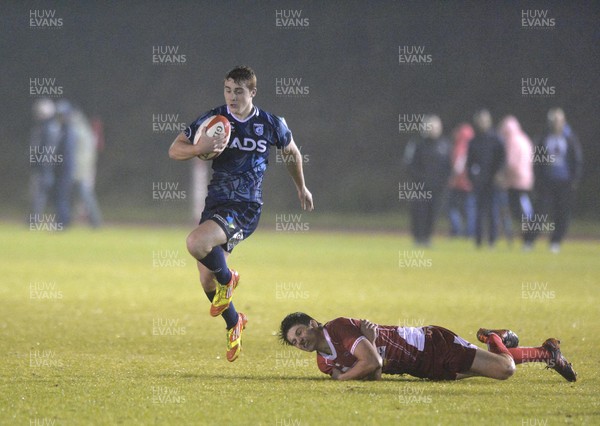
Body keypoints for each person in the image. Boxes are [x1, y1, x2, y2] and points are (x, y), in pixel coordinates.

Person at [169, 66, 314, 362]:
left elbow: (292, 153)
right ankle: (235, 322)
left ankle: (230, 277)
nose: (232, 97)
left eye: (238, 91)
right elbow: (174, 149)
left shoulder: (270, 123)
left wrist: (301, 186)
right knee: (207, 281)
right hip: (216, 204)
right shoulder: (214, 119)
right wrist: (199, 147)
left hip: (245, 207)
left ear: (252, 92)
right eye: (227, 90)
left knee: (196, 244)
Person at [279, 312, 577, 382]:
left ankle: (493, 337)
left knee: (504, 370)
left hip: (431, 344)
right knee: (485, 366)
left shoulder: (338, 327)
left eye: (300, 332)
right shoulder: (323, 363)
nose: (300, 341)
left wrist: (342, 379)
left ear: (314, 324)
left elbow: (372, 365)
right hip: (420, 369)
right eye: (294, 341)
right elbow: (374, 375)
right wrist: (369, 345)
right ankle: (547, 353)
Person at [534, 108, 583, 253]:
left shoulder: (570, 138)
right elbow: (537, 162)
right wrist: (538, 178)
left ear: (564, 121)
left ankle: (555, 242)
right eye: (554, 120)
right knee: (540, 211)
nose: (556, 123)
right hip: (547, 182)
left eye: (559, 120)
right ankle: (529, 241)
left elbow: (577, 160)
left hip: (564, 182)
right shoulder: (544, 138)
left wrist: (574, 179)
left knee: (562, 213)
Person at [402, 114, 451, 246]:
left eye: (436, 126)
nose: (434, 129)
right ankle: (418, 238)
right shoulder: (417, 143)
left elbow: (448, 166)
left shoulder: (445, 145)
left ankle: (427, 238)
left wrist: (444, 181)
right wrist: (420, 179)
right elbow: (409, 164)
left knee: (432, 213)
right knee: (419, 212)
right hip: (420, 187)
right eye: (431, 126)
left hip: (437, 187)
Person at [467, 109, 505, 248]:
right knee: (478, 212)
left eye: (485, 120)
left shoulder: (496, 139)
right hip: (479, 182)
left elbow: (502, 159)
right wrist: (472, 177)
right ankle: (478, 241)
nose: (483, 123)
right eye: (480, 120)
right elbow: (469, 162)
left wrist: (499, 174)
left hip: (493, 182)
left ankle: (492, 240)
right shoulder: (473, 141)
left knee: (493, 211)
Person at [498, 116, 535, 249]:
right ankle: (527, 239)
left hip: (516, 182)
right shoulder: (524, 139)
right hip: (526, 180)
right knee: (525, 212)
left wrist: (503, 177)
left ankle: (528, 239)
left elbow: (511, 163)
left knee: (522, 213)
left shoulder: (512, 141)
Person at [29, 98, 60, 224]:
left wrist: (37, 164)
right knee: (45, 194)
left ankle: (34, 221)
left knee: (39, 194)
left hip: (45, 168)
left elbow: (42, 150)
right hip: (51, 167)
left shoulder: (46, 129)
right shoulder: (53, 127)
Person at [71, 106, 103, 228]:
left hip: (82, 170)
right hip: (87, 169)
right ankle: (91, 220)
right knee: (83, 195)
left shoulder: (78, 132)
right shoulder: (86, 131)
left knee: (85, 195)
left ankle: (95, 221)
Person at [447, 123, 476, 238]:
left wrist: (452, 179)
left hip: (458, 184)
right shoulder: (473, 147)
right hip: (470, 184)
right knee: (470, 210)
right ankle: (470, 232)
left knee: (453, 208)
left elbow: (457, 168)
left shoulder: (460, 147)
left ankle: (457, 230)